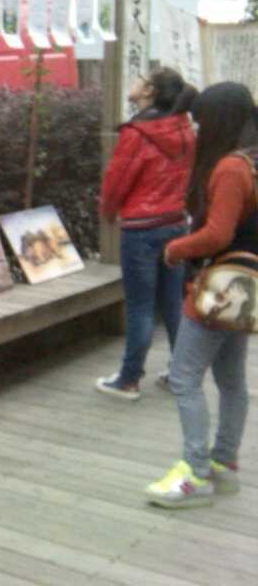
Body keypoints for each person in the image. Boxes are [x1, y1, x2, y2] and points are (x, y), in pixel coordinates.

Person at [145, 81, 256, 508]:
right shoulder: (252, 161)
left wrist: (176, 248)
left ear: (220, 121)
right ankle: (223, 463)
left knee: (183, 377)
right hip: (244, 289)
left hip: (217, 289)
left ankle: (195, 472)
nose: (197, 129)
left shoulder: (230, 168)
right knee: (231, 380)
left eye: (202, 121)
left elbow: (217, 234)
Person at [96, 67, 197, 399]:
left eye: (141, 78)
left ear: (150, 91)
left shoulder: (138, 132)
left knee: (139, 305)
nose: (135, 81)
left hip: (141, 228)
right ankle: (181, 373)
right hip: (176, 223)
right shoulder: (184, 128)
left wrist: (107, 212)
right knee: (172, 302)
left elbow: (117, 180)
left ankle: (128, 378)